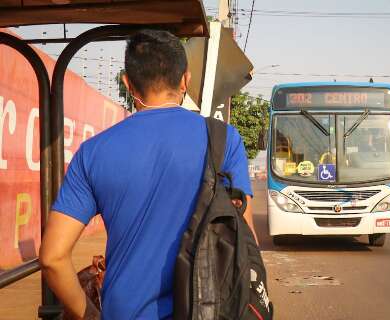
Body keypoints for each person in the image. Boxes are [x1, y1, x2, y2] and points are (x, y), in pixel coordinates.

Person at [39, 30, 256, 319]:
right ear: (185, 80)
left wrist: (92, 315)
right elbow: (246, 241)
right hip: (208, 310)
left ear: (128, 84)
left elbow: (53, 258)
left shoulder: (93, 152)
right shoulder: (223, 141)